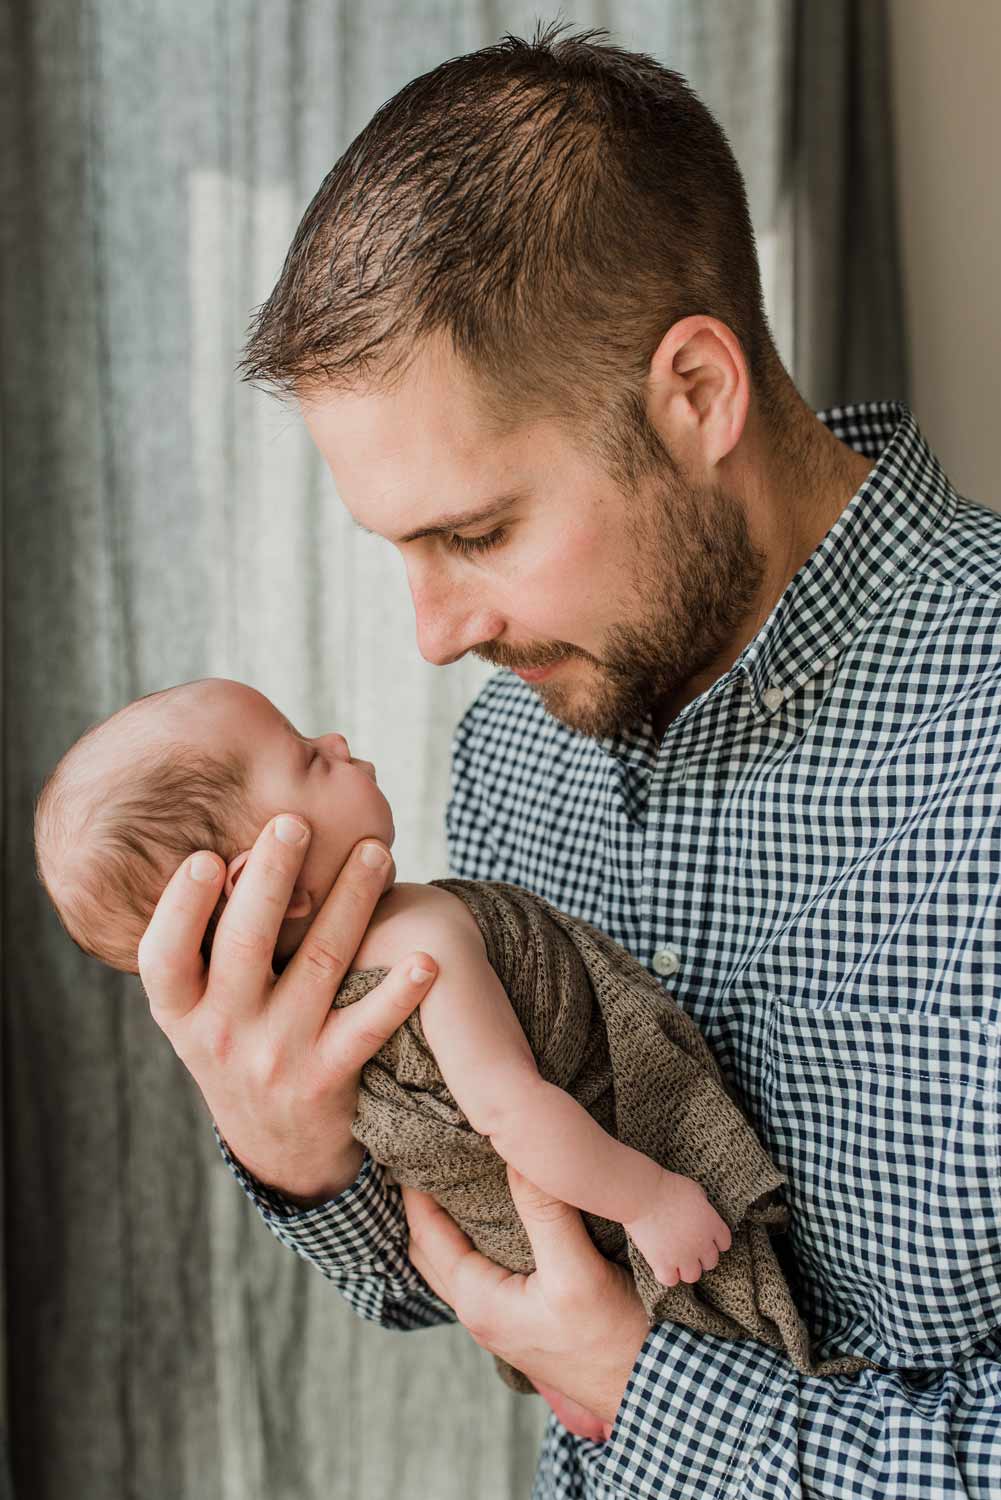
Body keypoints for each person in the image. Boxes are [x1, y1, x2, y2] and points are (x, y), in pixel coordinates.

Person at [139, 22, 1001, 1500]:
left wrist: (644, 1397)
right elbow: (480, 1270)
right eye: (398, 552)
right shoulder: (516, 754)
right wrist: (300, 1148)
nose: (431, 634)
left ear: (696, 395)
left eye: (474, 534)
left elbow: (602, 1360)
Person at [35, 675, 757, 1438]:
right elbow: (511, 1111)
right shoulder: (420, 935)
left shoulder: (316, 1007)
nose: (338, 744)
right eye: (309, 760)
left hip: (535, 1283)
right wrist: (646, 1199)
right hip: (607, 1213)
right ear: (274, 879)